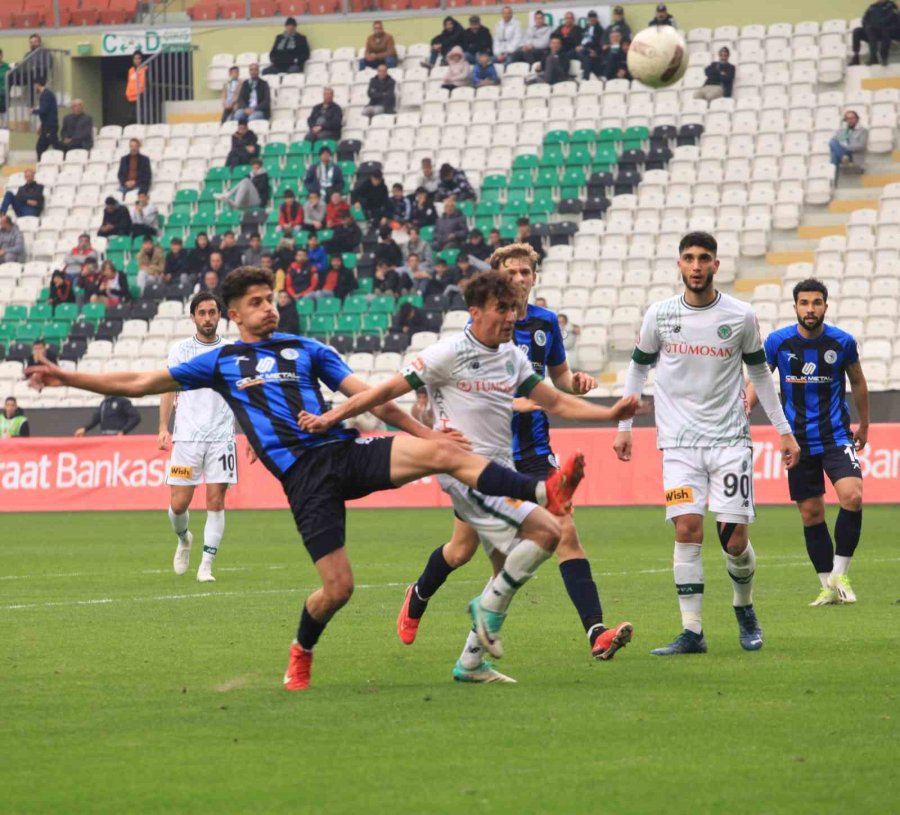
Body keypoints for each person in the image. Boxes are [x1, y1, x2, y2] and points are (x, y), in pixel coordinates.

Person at [29, 266, 586, 690]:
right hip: (304, 479)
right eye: (256, 303)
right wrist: (65, 377)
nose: (269, 308)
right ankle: (302, 648)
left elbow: (369, 398)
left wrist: (428, 434)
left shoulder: (307, 349)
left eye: (271, 299)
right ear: (232, 315)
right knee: (338, 589)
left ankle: (542, 489)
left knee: (441, 454)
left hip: (345, 450)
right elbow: (138, 381)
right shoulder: (219, 362)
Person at [302, 269, 641, 681]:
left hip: (501, 471)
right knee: (549, 533)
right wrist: (333, 415)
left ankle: (470, 661)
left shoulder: (513, 357)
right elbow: (384, 392)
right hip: (463, 472)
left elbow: (557, 401)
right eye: (502, 309)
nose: (512, 317)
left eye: (514, 309)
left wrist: (609, 414)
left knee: (500, 569)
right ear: (475, 312)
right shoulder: (449, 352)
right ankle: (488, 604)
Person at [396, 244, 635, 666]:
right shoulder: (482, 332)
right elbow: (473, 392)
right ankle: (419, 594)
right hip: (483, 457)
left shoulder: (545, 323)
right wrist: (518, 403)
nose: (521, 279)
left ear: (535, 277)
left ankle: (596, 631)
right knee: (461, 551)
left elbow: (557, 383)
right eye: (513, 272)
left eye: (527, 272)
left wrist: (574, 384)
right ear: (498, 279)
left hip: (535, 451)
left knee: (566, 535)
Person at [613, 231, 801, 656]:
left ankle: (744, 606)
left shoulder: (740, 316)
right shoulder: (659, 315)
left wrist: (783, 430)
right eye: (688, 258)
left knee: (733, 541)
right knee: (687, 529)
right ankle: (692, 631)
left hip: (729, 441)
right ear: (679, 265)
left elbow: (759, 377)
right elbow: (638, 369)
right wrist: (624, 426)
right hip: (678, 444)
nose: (696, 266)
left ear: (716, 265)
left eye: (704, 259)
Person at [748, 279, 869, 606]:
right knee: (811, 513)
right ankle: (827, 587)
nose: (810, 309)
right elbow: (759, 380)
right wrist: (745, 405)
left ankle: (840, 573)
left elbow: (858, 382)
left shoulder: (841, 342)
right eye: (804, 303)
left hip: (835, 436)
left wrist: (865, 424)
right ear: (796, 307)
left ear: (825, 307)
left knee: (853, 496)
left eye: (816, 303)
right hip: (796, 441)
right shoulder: (778, 342)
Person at [159, 293, 239, 584]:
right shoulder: (180, 350)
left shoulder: (231, 351)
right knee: (179, 504)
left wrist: (253, 435)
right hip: (187, 439)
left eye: (212, 312)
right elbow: (168, 387)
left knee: (215, 501)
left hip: (221, 439)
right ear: (193, 317)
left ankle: (206, 565)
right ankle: (184, 539)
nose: (208, 318)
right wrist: (162, 427)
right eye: (202, 313)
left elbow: (243, 393)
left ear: (220, 315)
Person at [850, 0, 900, 66]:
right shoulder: (872, 7)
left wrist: (877, 26)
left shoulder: (891, 6)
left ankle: (882, 57)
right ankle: (856, 56)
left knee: (884, 31)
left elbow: (892, 20)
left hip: (888, 31)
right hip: (872, 31)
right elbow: (865, 20)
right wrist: (868, 27)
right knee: (857, 31)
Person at [74, 396, 141, 436]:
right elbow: (97, 418)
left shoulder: (122, 401)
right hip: (105, 437)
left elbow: (135, 417)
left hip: (118, 437)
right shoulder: (104, 402)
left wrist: (123, 431)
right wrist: (85, 428)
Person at [829, 110, 868, 176]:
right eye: (848, 119)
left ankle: (833, 178)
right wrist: (843, 131)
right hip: (843, 154)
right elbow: (835, 141)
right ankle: (843, 157)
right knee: (833, 144)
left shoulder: (863, 131)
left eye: (852, 118)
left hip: (853, 154)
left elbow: (861, 146)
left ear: (857, 119)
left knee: (834, 152)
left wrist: (846, 147)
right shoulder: (842, 130)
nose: (850, 120)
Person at [33, 79, 59, 159]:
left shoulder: (46, 95)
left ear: (37, 84)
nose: (34, 88)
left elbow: (44, 110)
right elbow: (47, 114)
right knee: (44, 147)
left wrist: (33, 111)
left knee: (42, 147)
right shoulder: (46, 94)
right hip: (47, 126)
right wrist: (42, 126)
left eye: (35, 85)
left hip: (49, 127)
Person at [575, 10, 604, 79]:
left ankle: (585, 78)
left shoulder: (600, 30)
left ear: (596, 18)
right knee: (566, 55)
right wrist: (578, 46)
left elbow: (598, 43)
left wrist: (584, 47)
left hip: (589, 49)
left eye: (593, 17)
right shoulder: (585, 28)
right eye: (590, 17)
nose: (592, 19)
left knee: (587, 57)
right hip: (580, 49)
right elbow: (580, 39)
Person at [126, 51, 147, 122]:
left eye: (139, 58)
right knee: (131, 118)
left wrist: (138, 93)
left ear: (141, 59)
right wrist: (127, 93)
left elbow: (142, 84)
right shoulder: (131, 70)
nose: (137, 60)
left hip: (140, 97)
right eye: (135, 58)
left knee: (140, 118)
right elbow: (129, 83)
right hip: (130, 98)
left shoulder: (144, 69)